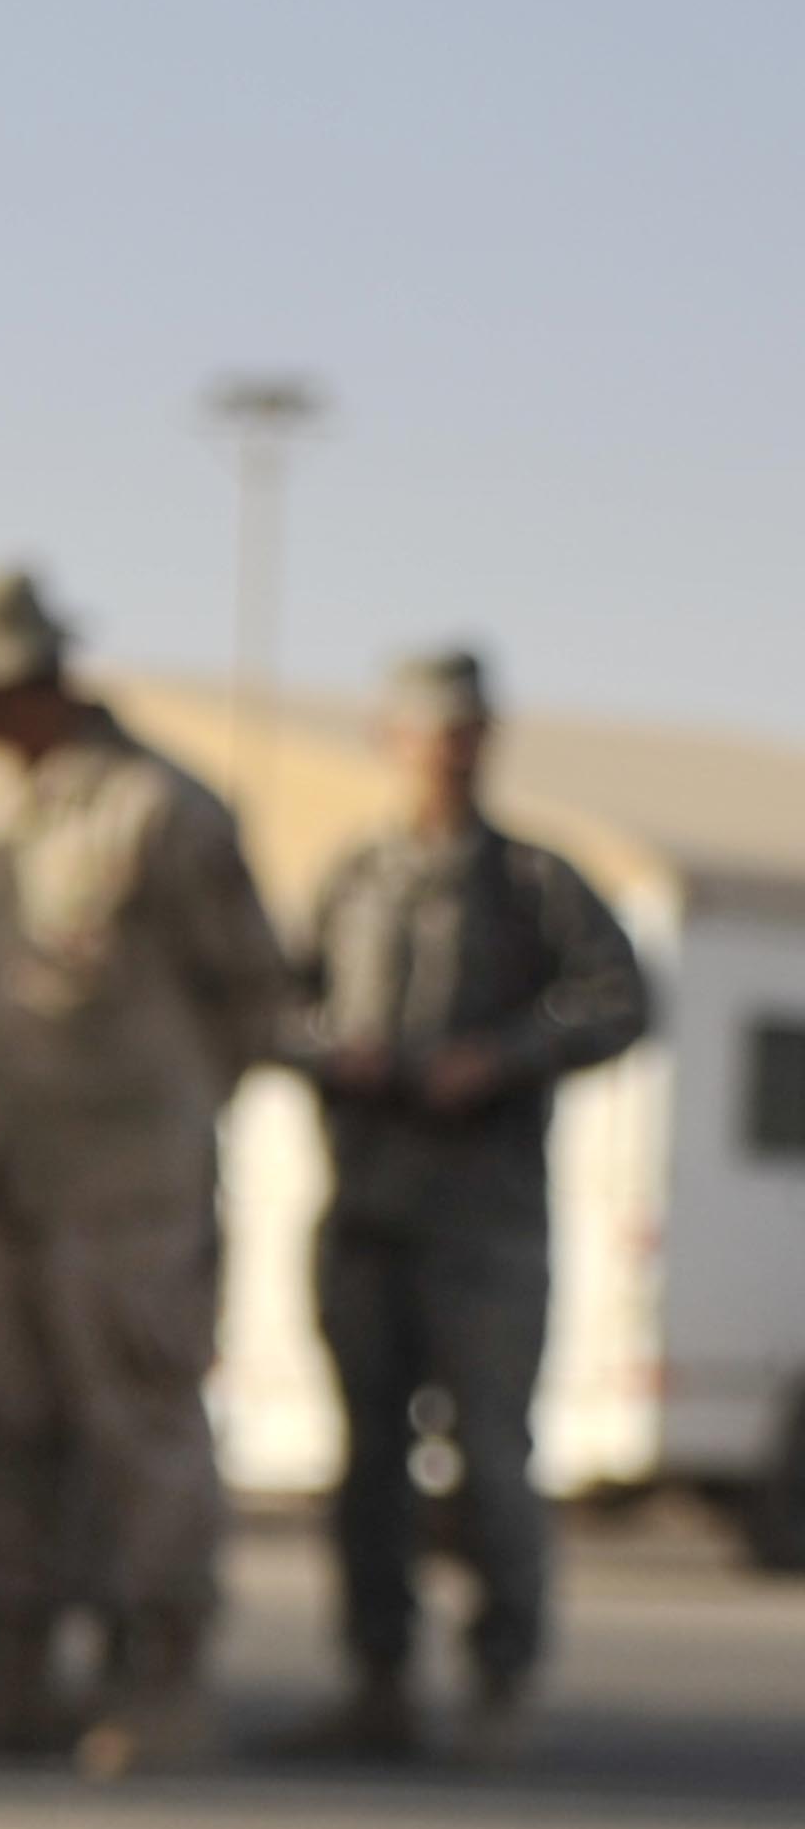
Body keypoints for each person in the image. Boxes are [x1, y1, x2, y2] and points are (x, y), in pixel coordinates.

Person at [0, 566, 293, 1773]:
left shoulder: (160, 809)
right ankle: (1, 1665)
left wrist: (149, 1125)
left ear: (25, 680)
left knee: (138, 1428)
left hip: (123, 1189)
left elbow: (252, 1001)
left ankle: (160, 1681)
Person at [272, 645, 653, 1761]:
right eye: (431, 730)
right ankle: (376, 1682)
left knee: (489, 1455)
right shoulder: (353, 879)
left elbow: (620, 999)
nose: (448, 750)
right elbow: (276, 1003)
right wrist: (332, 1054)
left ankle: (501, 1684)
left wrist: (502, 1058)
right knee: (367, 1464)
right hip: (369, 1211)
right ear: (391, 739)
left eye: (469, 730)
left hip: (484, 1224)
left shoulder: (537, 883)